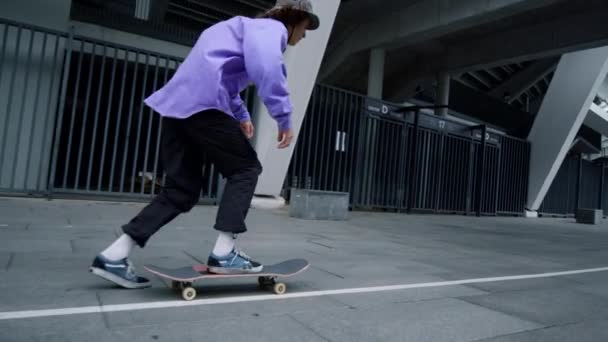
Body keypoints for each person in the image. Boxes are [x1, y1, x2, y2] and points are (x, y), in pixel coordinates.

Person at [89, 0, 320, 289]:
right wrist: (284, 118)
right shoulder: (271, 30)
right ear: (294, 19)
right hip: (204, 106)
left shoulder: (238, 29)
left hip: (178, 108)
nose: (305, 34)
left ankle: (114, 254)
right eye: (306, 27)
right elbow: (268, 68)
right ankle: (224, 253)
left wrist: (242, 114)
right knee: (246, 169)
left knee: (181, 191)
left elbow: (221, 76)